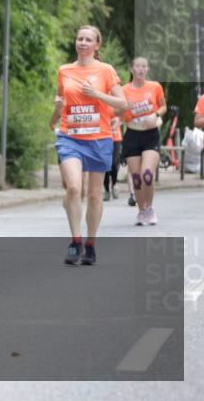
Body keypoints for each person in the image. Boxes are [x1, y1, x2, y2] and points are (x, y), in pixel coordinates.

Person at [48, 26, 127, 267]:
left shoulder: (106, 71)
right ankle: (76, 241)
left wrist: (97, 94)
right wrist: (58, 107)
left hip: (99, 138)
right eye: (80, 38)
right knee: (73, 188)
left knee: (94, 195)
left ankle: (91, 244)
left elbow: (123, 104)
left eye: (88, 39)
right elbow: (61, 105)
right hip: (70, 137)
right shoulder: (65, 70)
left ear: (96, 45)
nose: (82, 42)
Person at [121, 57, 166, 226]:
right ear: (131, 69)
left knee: (146, 174)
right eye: (137, 66)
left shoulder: (155, 87)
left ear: (147, 70)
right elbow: (119, 111)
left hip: (150, 135)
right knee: (137, 178)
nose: (140, 69)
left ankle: (150, 209)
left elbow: (163, 107)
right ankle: (141, 211)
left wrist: (155, 115)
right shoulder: (124, 90)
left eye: (144, 66)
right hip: (132, 135)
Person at [103, 116, 122, 201]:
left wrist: (118, 120)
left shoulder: (116, 104)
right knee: (105, 165)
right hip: (103, 138)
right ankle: (106, 189)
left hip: (116, 138)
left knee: (114, 164)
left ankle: (114, 184)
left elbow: (124, 115)